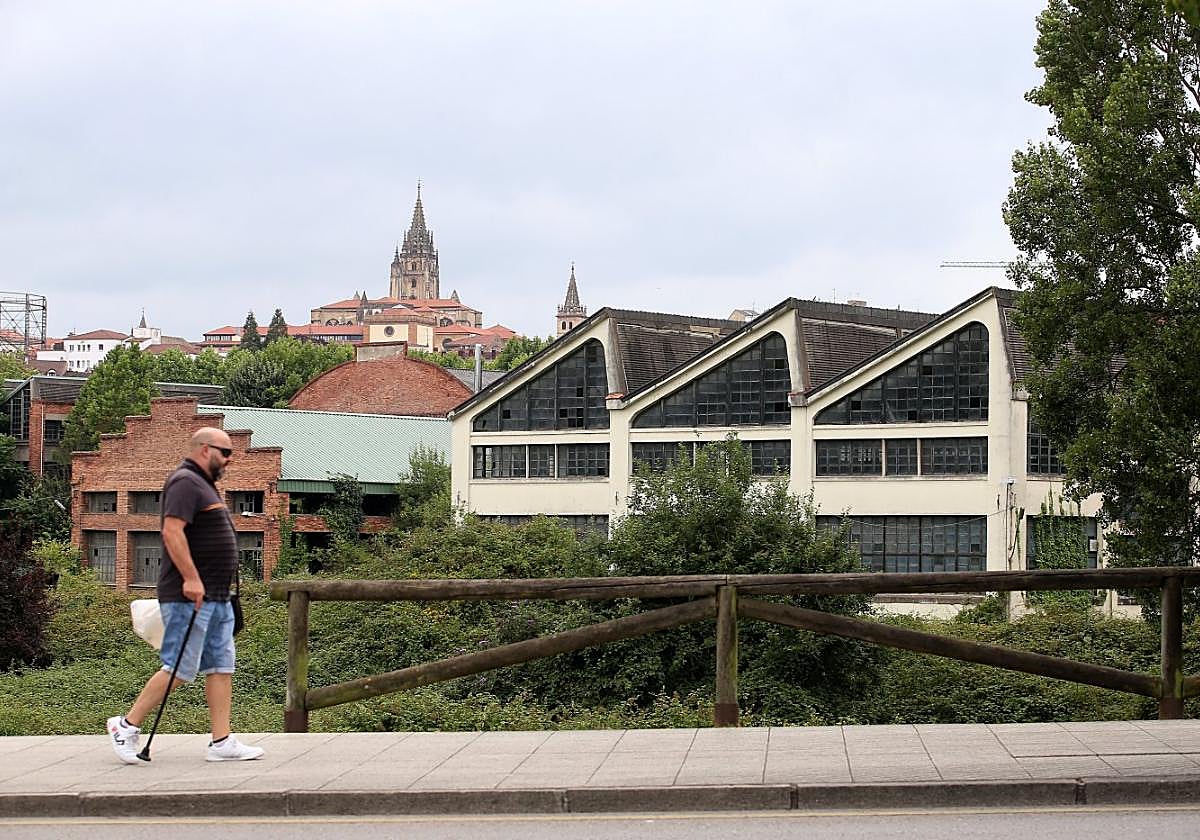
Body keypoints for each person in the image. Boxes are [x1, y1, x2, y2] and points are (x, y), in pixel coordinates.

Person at [107, 428, 265, 764]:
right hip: (189, 596)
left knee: (222, 666)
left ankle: (222, 742)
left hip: (218, 597)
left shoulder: (204, 485)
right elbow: (172, 531)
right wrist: (192, 579)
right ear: (206, 450)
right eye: (225, 452)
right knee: (179, 667)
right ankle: (125, 726)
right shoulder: (184, 481)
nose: (230, 459)